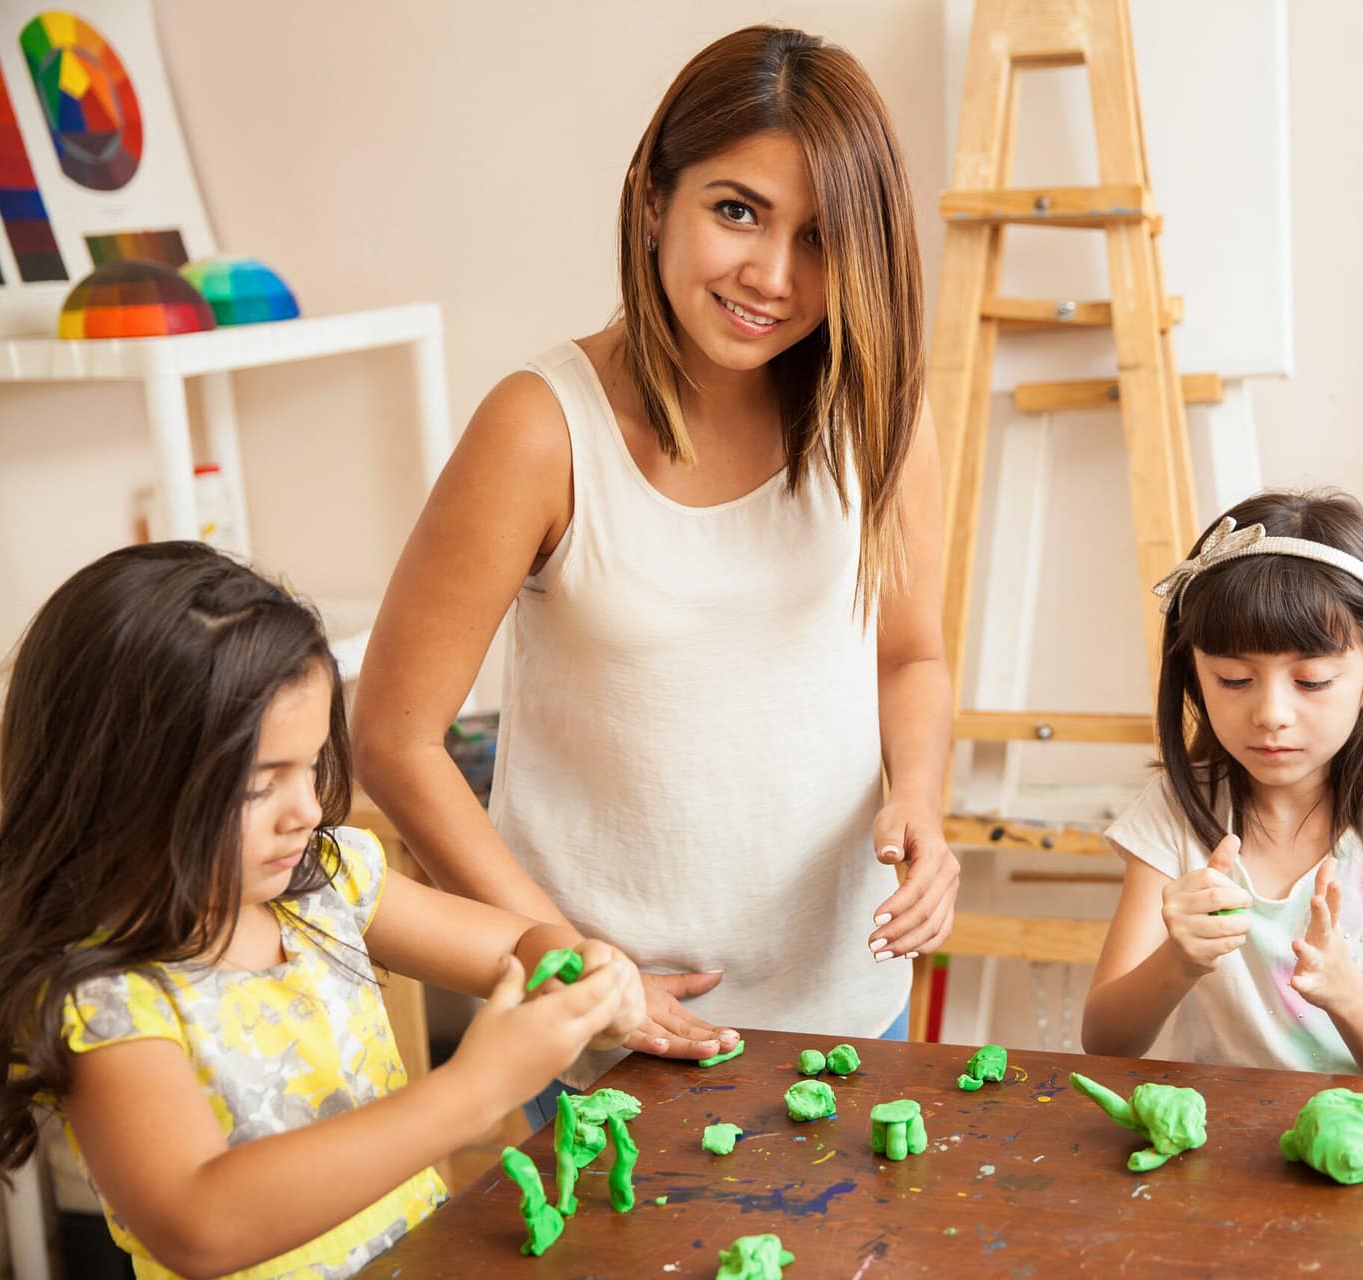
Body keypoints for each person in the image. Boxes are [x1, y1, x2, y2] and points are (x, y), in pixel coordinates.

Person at [351, 26, 957, 1098]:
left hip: (848, 1006)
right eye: (737, 210)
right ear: (652, 200)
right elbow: (393, 738)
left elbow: (910, 656)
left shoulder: (880, 415)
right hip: (604, 1030)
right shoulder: (541, 428)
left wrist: (921, 800)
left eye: (819, 237)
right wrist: (561, 953)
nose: (772, 275)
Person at [0, 543, 641, 1277]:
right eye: (257, 785)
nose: (306, 810)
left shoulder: (321, 883)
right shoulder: (103, 999)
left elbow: (522, 946)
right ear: (117, 784)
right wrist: (474, 1090)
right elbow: (198, 1224)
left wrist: (584, 971)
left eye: (308, 767)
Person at [1080, 489, 1363, 1077]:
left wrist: (1346, 994)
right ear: (1193, 673)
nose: (1271, 713)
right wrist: (1178, 961)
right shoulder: (1176, 813)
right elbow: (1105, 1040)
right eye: (1233, 679)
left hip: (1360, 1149)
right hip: (1210, 1142)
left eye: (1311, 681)